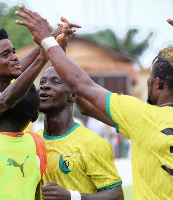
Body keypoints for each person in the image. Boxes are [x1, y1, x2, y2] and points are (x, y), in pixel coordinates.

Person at [15, 5, 173, 199]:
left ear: (157, 83)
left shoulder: (142, 118)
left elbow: (83, 86)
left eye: (149, 77)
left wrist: (47, 41)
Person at [35, 66, 123, 200]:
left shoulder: (92, 144)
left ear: (72, 95)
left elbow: (116, 195)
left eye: (55, 82)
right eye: (42, 82)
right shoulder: (33, 141)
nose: (45, 86)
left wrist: (72, 197)